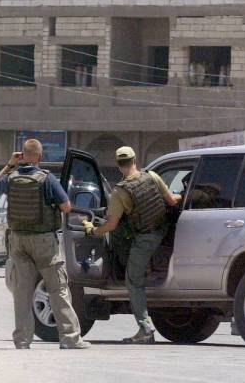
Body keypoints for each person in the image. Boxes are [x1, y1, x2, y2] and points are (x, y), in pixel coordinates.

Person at [0, 139, 90, 350]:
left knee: (22, 292)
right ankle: (70, 338)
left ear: (22, 156)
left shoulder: (11, 177)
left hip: (18, 241)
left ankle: (22, 340)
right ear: (40, 157)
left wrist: (10, 164)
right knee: (58, 289)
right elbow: (66, 206)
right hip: (44, 242)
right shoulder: (47, 179)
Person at [84, 146, 181, 344]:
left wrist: (92, 230)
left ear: (118, 166)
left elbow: (110, 224)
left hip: (146, 238)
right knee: (122, 232)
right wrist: (185, 194)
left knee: (133, 281)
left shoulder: (120, 191)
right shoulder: (152, 176)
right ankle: (146, 265)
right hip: (162, 230)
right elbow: (171, 201)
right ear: (134, 160)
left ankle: (145, 329)